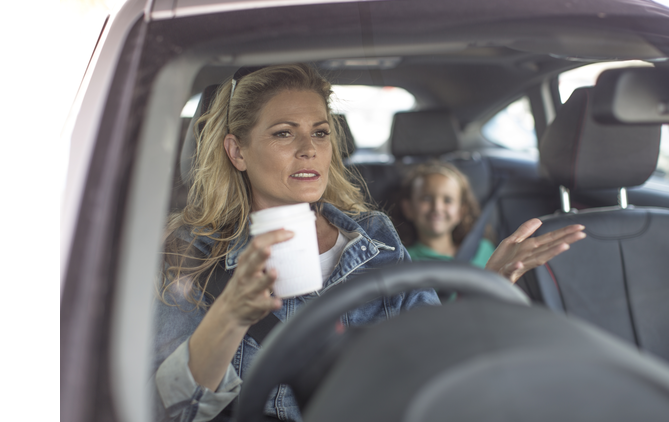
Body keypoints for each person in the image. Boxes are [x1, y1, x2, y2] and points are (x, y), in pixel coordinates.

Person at [153, 63, 586, 422]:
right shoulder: (191, 251)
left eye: (320, 132)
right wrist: (231, 315)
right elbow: (176, 410)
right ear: (238, 151)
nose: (308, 149)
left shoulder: (373, 233)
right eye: (284, 133)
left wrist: (489, 283)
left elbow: (430, 359)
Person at [395, 161, 495, 269]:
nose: (437, 207)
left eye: (448, 200)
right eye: (426, 198)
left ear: (461, 212)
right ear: (408, 208)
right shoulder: (402, 260)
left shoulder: (483, 250)